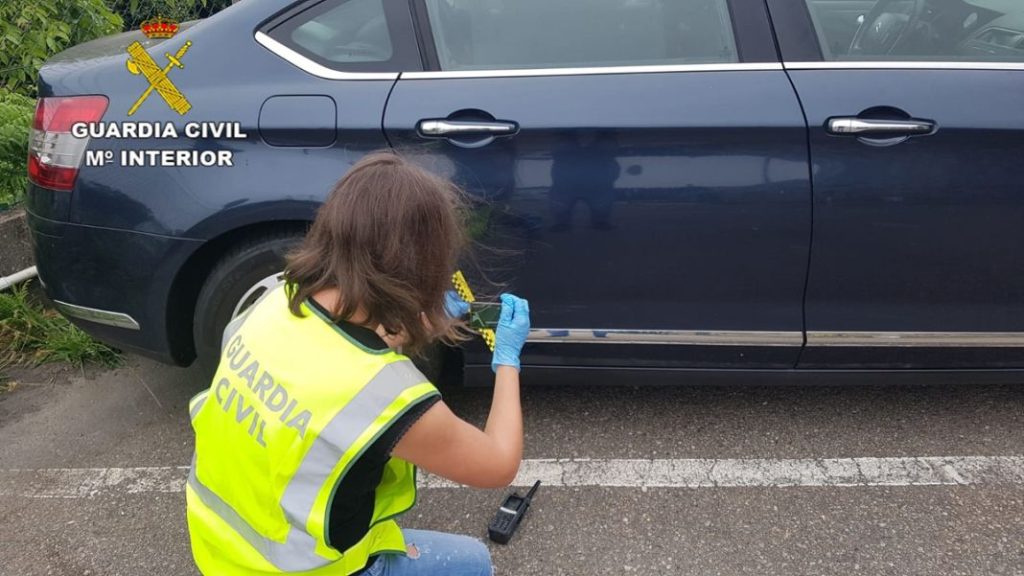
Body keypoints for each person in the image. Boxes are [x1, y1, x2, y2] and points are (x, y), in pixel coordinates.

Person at [185, 152, 530, 576]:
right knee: (473, 563)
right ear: (422, 265)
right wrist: (508, 361)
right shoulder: (388, 395)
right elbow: (498, 463)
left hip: (218, 545)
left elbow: (328, 359)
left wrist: (406, 326)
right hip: (304, 570)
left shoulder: (273, 303)